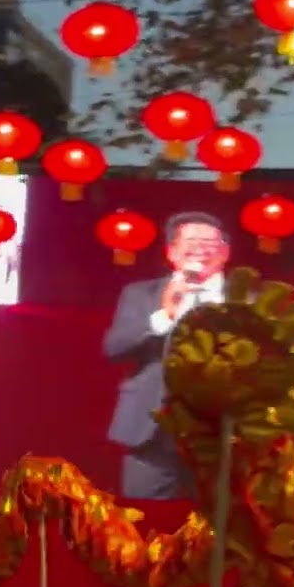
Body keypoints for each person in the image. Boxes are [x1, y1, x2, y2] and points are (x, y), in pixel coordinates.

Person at [103, 211, 230, 500]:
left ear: (225, 252)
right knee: (144, 523)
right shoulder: (141, 294)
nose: (200, 248)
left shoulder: (246, 297)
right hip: (151, 432)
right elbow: (114, 348)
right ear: (172, 251)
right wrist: (164, 315)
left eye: (210, 241)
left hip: (219, 434)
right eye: (191, 240)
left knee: (217, 528)